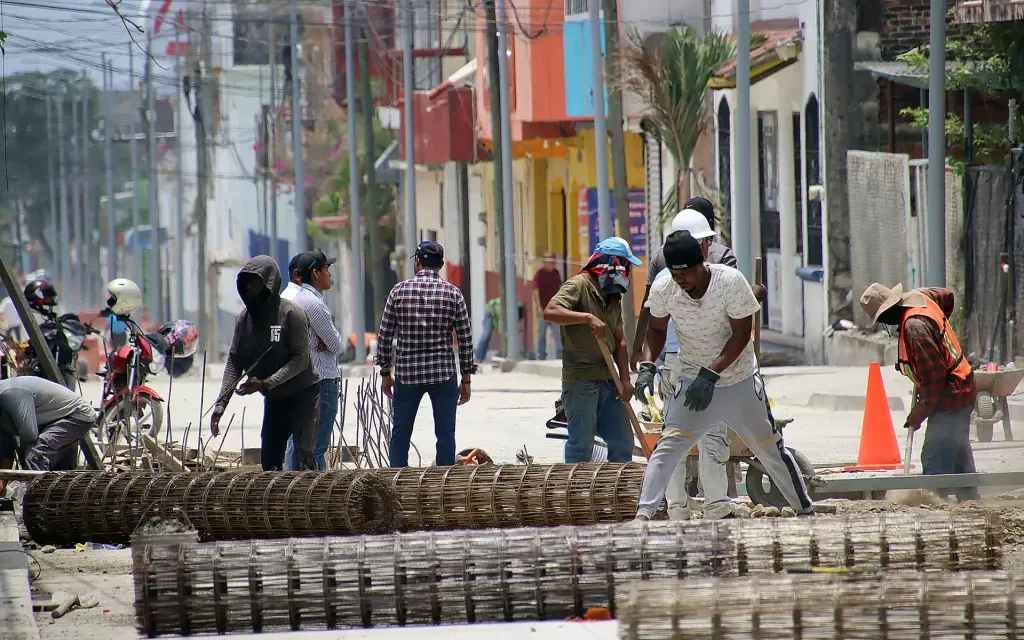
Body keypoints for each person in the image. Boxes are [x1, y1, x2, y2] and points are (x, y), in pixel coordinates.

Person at [634, 231, 814, 521]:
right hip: (691, 382)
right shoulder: (665, 288)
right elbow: (655, 330)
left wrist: (711, 374)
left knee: (768, 448)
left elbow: (741, 335)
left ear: (701, 263)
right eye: (675, 275)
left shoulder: (729, 283)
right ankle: (643, 515)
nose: (681, 281)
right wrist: (647, 364)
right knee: (668, 446)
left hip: (738, 382)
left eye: (686, 273)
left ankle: (804, 509)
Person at [634, 209, 744, 520]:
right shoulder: (711, 274)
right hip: (701, 364)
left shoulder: (663, 274)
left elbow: (652, 323)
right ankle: (716, 505)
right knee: (713, 433)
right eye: (706, 242)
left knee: (674, 436)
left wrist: (647, 363)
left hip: (672, 364)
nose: (709, 248)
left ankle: (677, 507)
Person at [859, 283, 979, 501]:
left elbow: (935, 377)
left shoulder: (915, 328)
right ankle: (970, 500)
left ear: (889, 311)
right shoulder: (921, 297)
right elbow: (947, 295)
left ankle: (935, 502)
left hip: (952, 393)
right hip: (962, 384)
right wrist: (938, 333)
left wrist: (919, 412)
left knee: (934, 457)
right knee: (957, 450)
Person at [211, 256, 320, 471]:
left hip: (303, 394)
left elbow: (301, 359)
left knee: (304, 457)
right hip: (275, 398)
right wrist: (221, 404)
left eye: (255, 281)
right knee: (270, 460)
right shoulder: (244, 320)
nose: (249, 287)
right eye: (245, 282)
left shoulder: (291, 313)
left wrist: (266, 383)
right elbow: (234, 361)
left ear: (269, 283)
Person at [375, 241, 475, 467]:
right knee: (445, 434)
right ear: (441, 264)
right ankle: (443, 480)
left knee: (401, 432)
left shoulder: (398, 292)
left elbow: (385, 335)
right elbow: (465, 339)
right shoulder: (454, 294)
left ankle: (397, 480)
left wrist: (385, 373)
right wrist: (466, 379)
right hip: (443, 374)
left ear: (417, 261)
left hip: (407, 375)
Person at [542, 237, 638, 463]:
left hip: (610, 381)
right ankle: (575, 486)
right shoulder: (578, 285)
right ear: (611, 264)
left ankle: (617, 484)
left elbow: (620, 340)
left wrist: (625, 380)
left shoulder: (613, 295)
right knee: (581, 445)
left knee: (622, 441)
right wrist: (587, 318)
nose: (628, 272)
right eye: (625, 265)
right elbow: (550, 311)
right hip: (581, 381)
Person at [284, 250, 344, 471]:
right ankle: (314, 489)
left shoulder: (294, 298)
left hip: (300, 380)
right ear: (316, 273)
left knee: (296, 443)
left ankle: (292, 487)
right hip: (321, 380)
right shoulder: (313, 303)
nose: (329, 274)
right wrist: (323, 341)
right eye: (326, 269)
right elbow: (336, 345)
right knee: (316, 447)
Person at [0, 376, 98, 495]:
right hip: (53, 419)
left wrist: (23, 458)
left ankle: (37, 501)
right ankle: (55, 499)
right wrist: (2, 483)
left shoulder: (10, 394)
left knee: (35, 454)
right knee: (55, 466)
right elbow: (6, 451)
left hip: (75, 415)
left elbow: (30, 436)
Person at [532, 252, 563, 360]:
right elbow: (535, 291)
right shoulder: (539, 274)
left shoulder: (556, 273)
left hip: (554, 308)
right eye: (550, 262)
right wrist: (538, 306)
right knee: (541, 333)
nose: (552, 264)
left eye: (553, 262)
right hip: (543, 309)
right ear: (545, 263)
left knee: (557, 332)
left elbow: (560, 288)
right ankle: (541, 355)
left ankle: (559, 354)